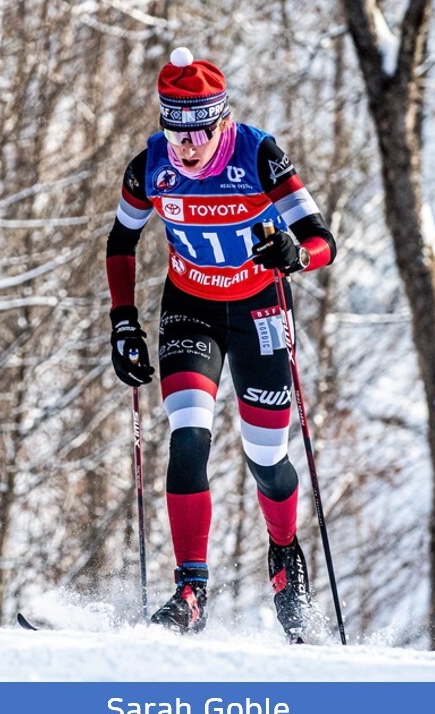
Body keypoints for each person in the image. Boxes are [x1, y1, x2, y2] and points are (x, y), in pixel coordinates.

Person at [105, 47, 336, 642]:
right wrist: (124, 321)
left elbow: (321, 239)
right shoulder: (150, 166)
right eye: (174, 132)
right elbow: (121, 242)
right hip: (191, 307)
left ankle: (284, 554)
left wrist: (296, 255)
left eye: (198, 133)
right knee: (187, 438)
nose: (185, 147)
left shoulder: (259, 154)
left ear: (221, 120)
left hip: (259, 310)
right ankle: (191, 590)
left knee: (266, 459)